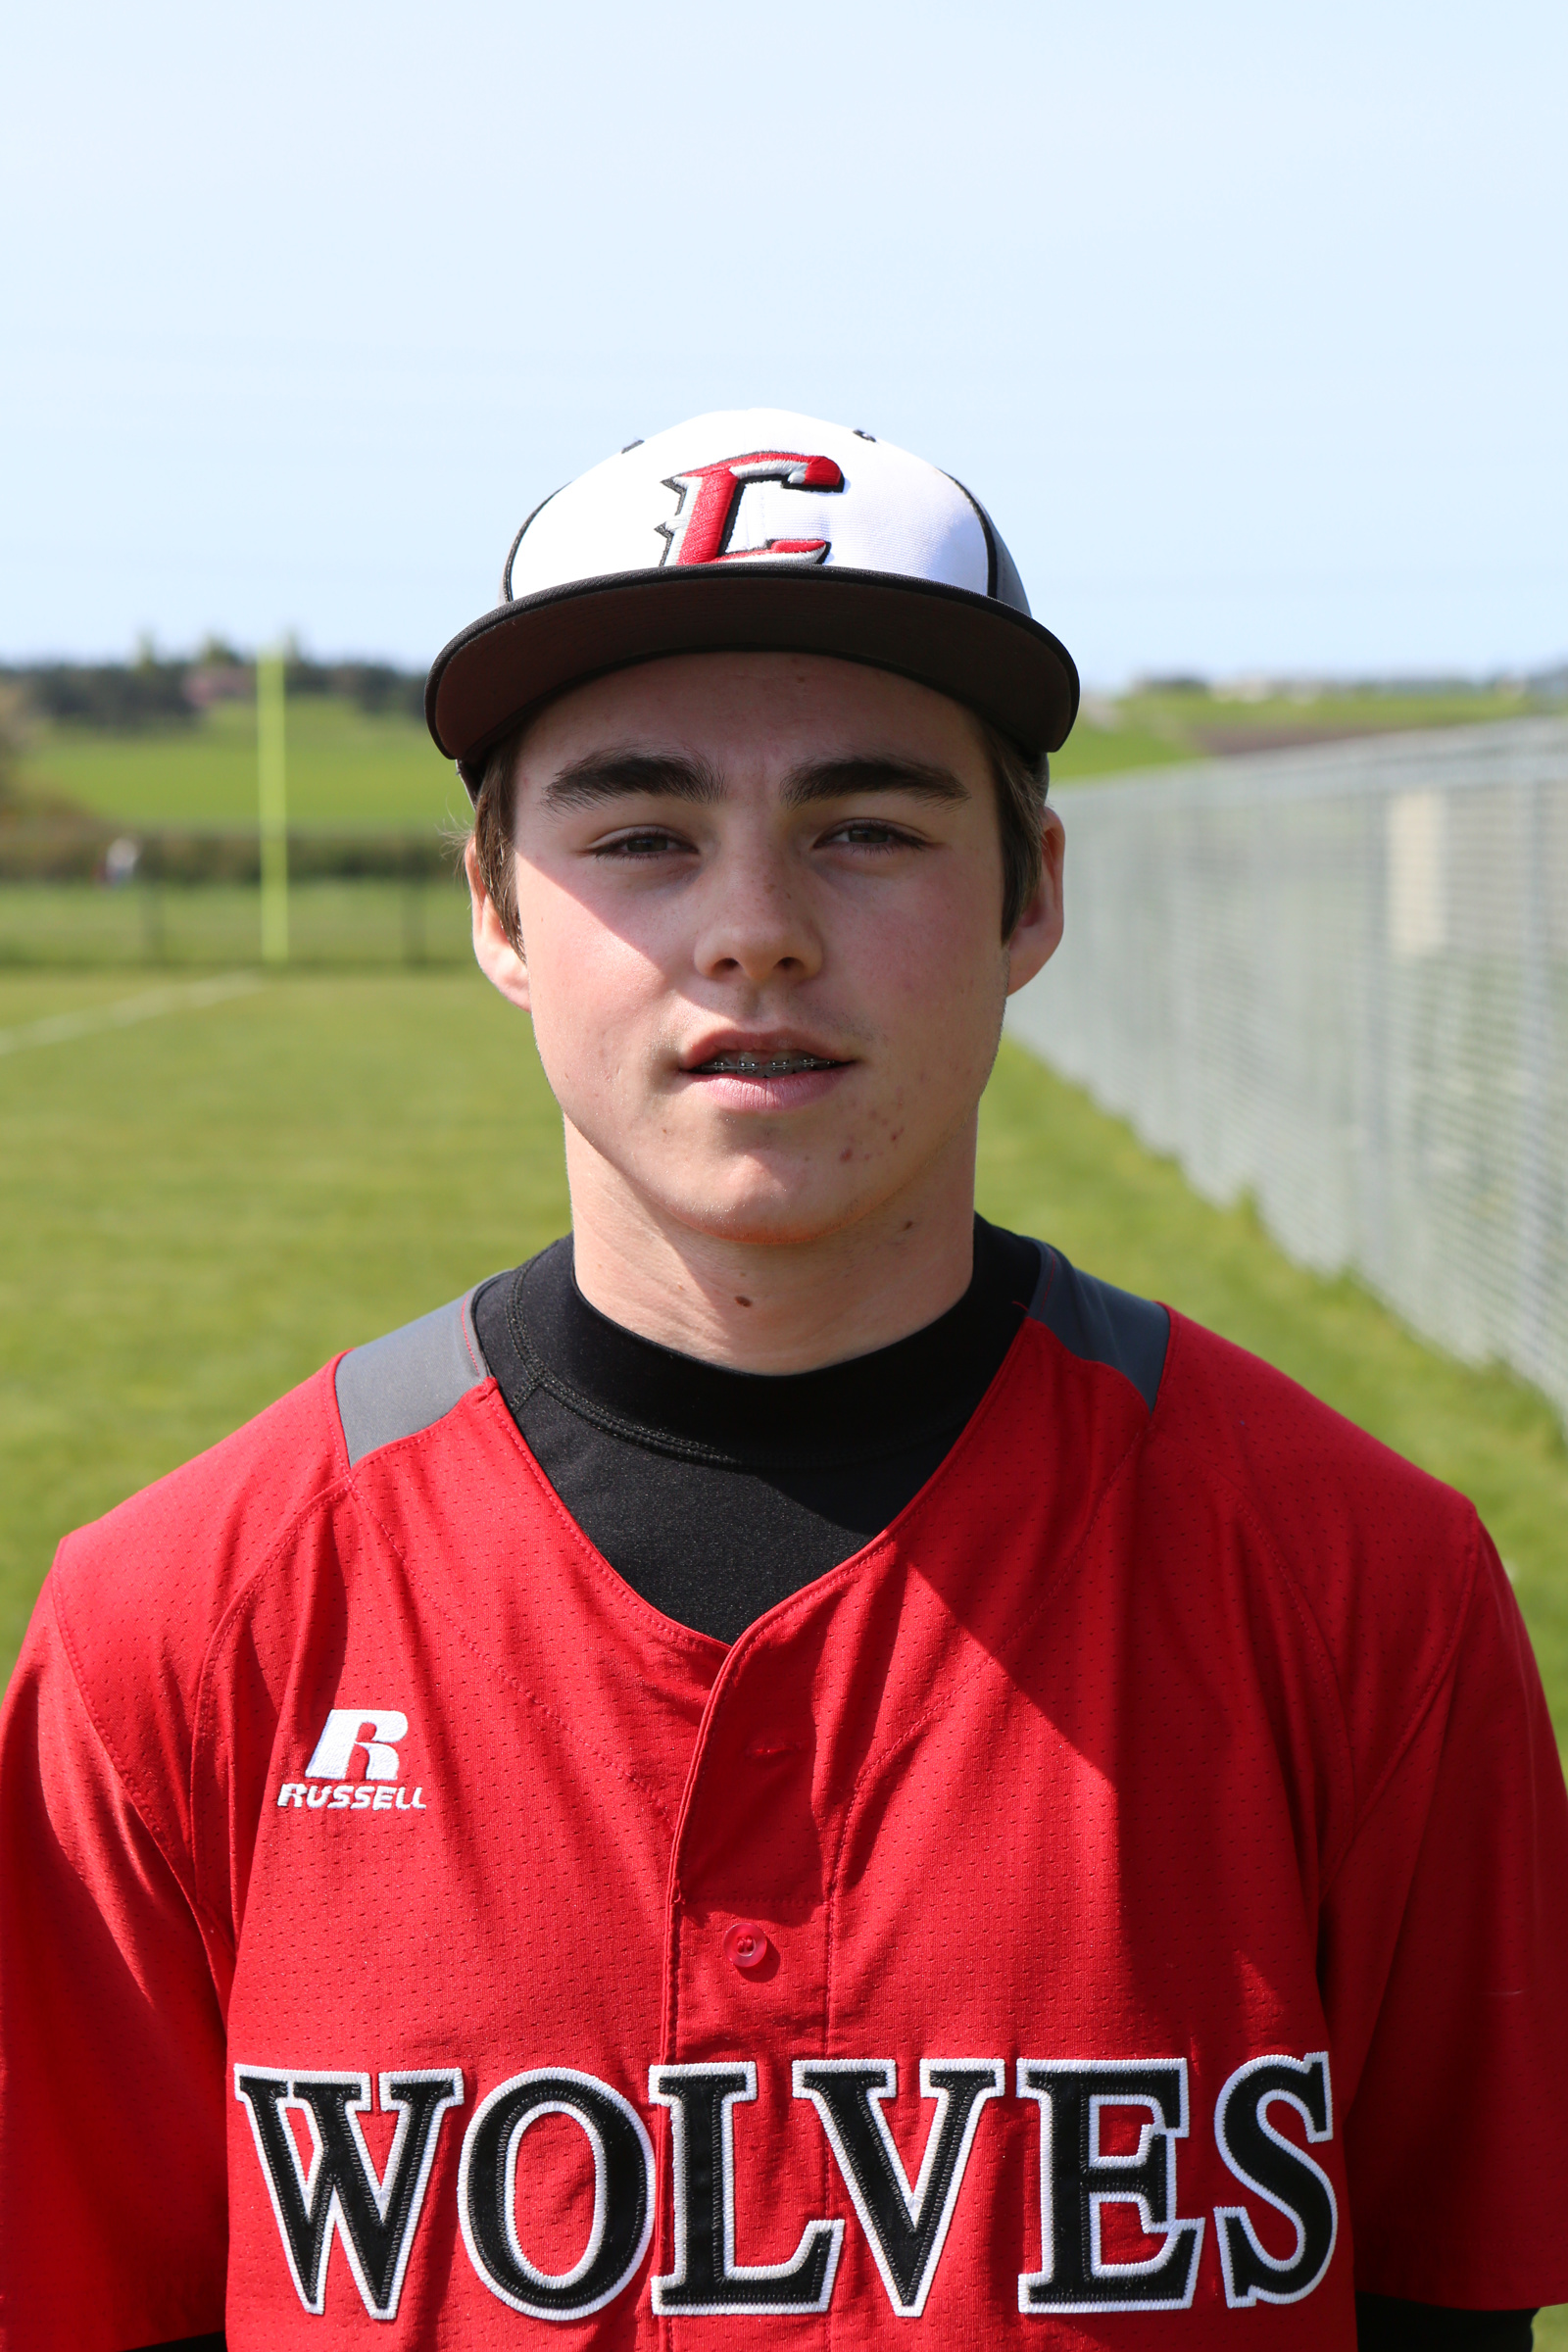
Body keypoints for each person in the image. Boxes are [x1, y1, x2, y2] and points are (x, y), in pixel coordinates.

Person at [1, 411, 1565, 2351]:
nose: (753, 931)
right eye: (641, 836)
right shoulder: (177, 1630)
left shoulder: (1363, 1592)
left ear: (1030, 896)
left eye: (866, 828)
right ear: (495, 906)